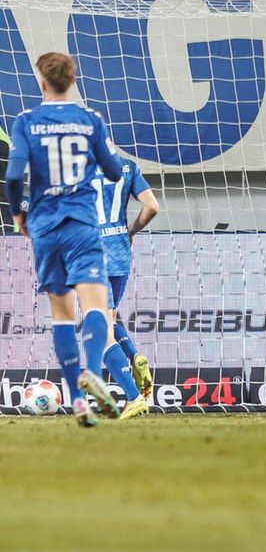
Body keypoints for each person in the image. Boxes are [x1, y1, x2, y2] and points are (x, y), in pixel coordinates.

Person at [4, 52, 126, 427]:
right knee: (95, 303)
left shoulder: (25, 121)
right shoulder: (90, 120)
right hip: (81, 223)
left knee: (60, 312)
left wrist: (18, 213)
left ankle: (77, 400)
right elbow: (114, 170)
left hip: (43, 225)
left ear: (42, 82)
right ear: (71, 81)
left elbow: (13, 175)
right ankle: (94, 372)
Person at [95, 139, 159, 420]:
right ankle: (134, 356)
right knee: (107, 319)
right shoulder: (128, 166)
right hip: (121, 253)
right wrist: (131, 229)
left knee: (100, 331)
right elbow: (152, 207)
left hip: (92, 255)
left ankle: (133, 397)